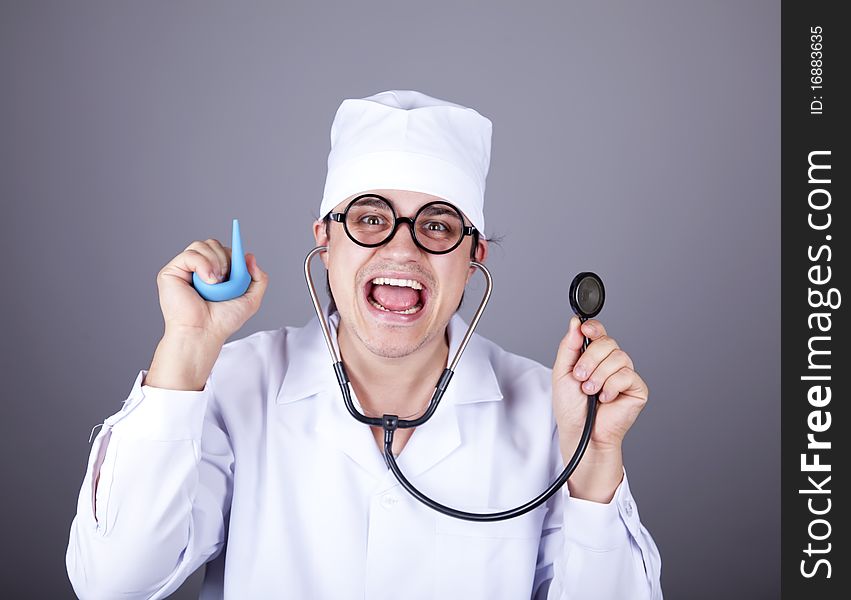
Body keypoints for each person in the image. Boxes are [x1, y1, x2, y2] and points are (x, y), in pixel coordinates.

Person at [66, 90, 662, 599]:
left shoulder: (551, 414)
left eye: (436, 224)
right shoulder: (232, 383)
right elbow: (114, 582)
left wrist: (594, 462)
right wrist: (186, 350)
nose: (402, 250)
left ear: (472, 256)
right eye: (371, 218)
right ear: (325, 239)